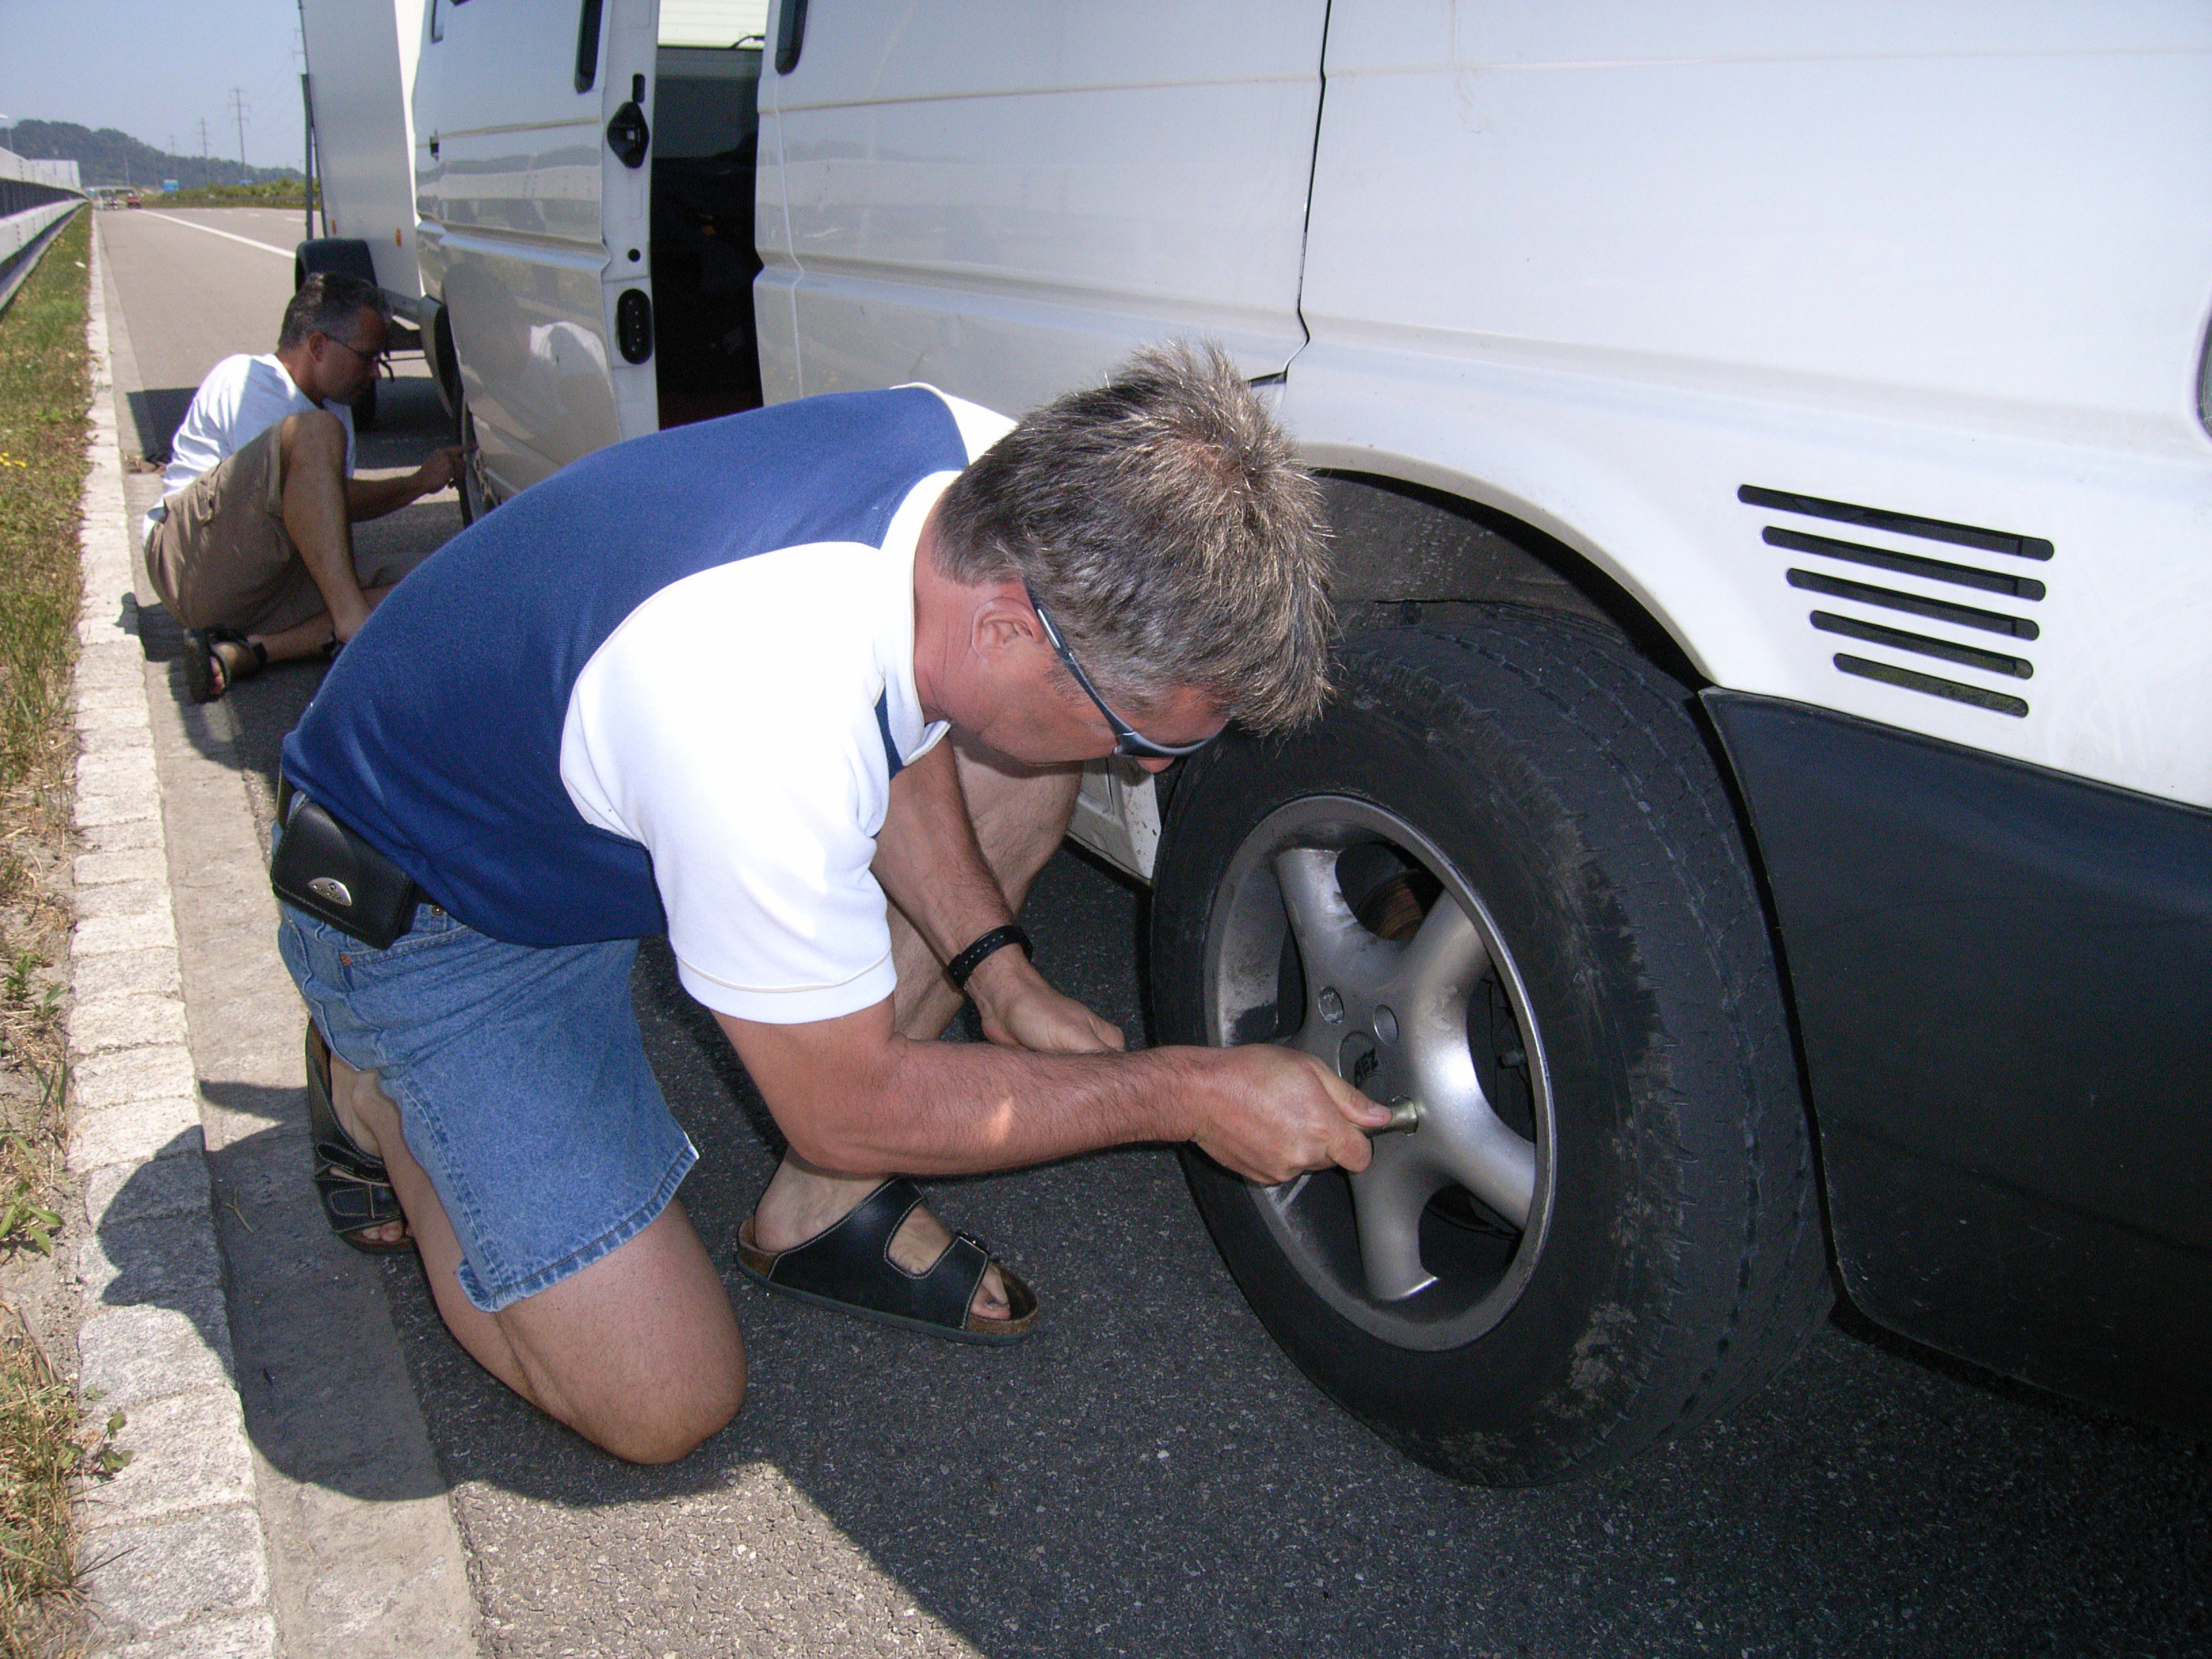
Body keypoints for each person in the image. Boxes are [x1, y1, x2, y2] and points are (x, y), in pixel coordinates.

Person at [273, 342, 1391, 1465]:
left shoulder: (991, 481)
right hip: (438, 914)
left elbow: (895, 709)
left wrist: (995, 970)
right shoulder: (752, 710)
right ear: (1009, 629)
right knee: (664, 1401)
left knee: (1023, 768)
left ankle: (817, 1209)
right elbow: (842, 1107)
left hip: (589, 803)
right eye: (1143, 734)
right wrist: (1186, 1093)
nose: (1142, 768)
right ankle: (373, 1084)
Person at [143, 272, 466, 701]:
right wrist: (418, 483)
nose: (375, 373)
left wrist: (419, 482)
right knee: (315, 431)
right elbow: (313, 496)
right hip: (193, 566)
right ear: (317, 346)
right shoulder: (249, 379)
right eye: (367, 357)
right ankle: (354, 627)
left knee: (442, 580)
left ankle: (249, 651)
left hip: (268, 583)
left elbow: (321, 507)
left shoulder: (335, 409)